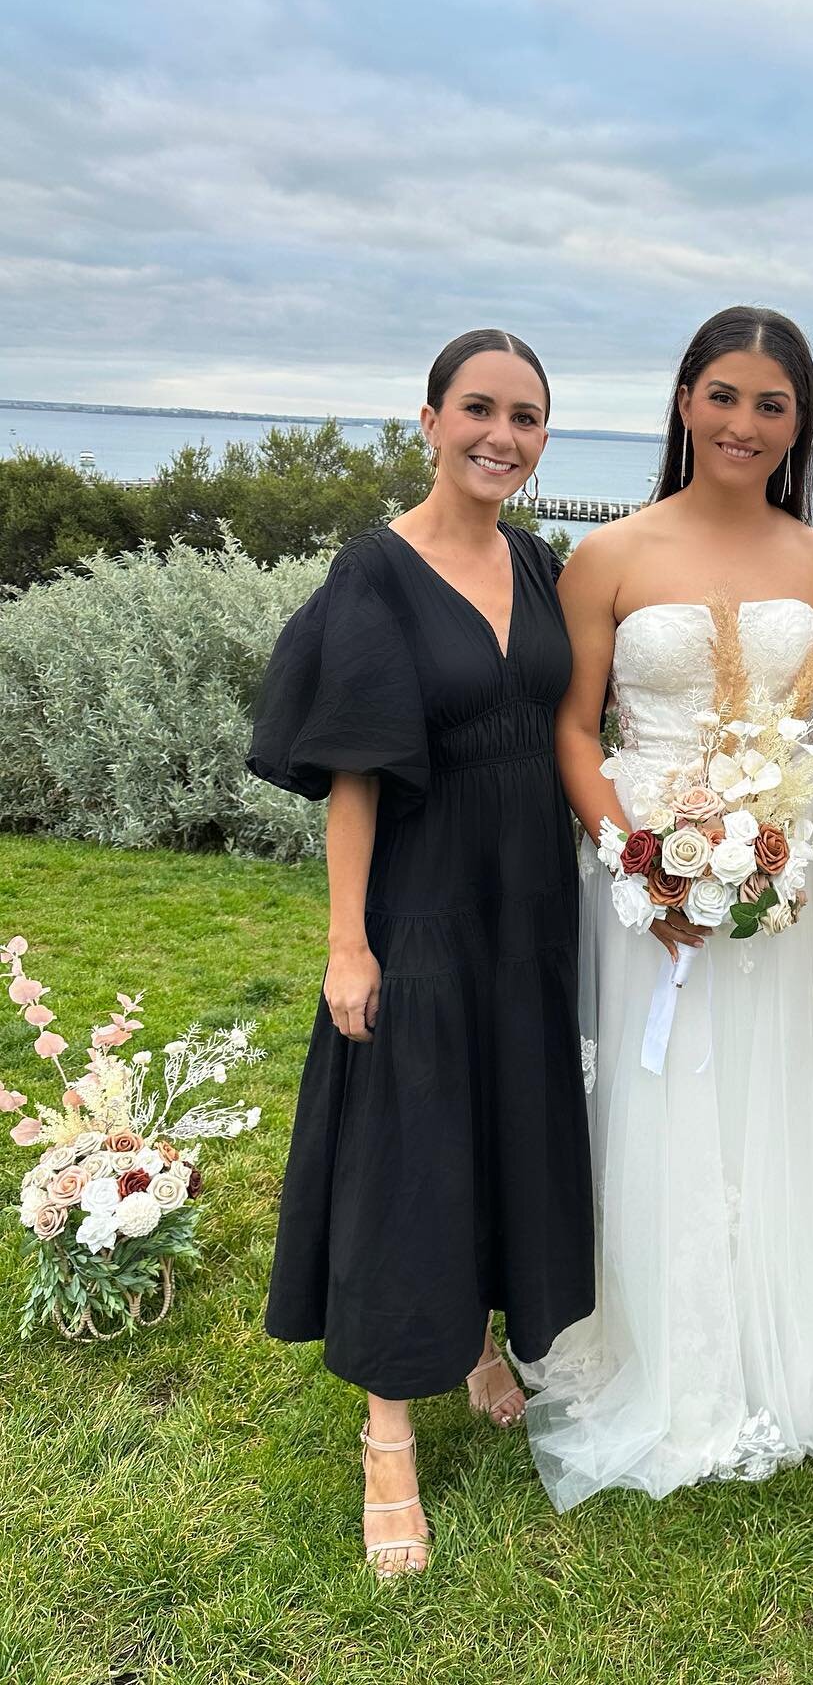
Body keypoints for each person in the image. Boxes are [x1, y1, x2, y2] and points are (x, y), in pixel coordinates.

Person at [518, 305, 813, 1509]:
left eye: (772, 404)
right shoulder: (612, 554)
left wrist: (777, 835)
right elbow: (573, 728)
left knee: (784, 1085)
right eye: (725, 395)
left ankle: (786, 1338)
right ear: (686, 400)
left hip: (791, 863)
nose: (745, 423)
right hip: (643, 873)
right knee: (658, 1091)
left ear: (799, 424)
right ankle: (658, 1341)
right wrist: (636, 857)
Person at [246, 329, 594, 1576]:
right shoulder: (376, 573)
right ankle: (388, 1434)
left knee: (509, 1122)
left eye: (529, 417)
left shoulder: (543, 563)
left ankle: (482, 1339)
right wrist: (349, 942)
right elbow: (352, 775)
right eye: (481, 410)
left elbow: (569, 722)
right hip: (426, 904)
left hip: (530, 905)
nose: (504, 435)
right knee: (414, 1150)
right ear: (431, 419)